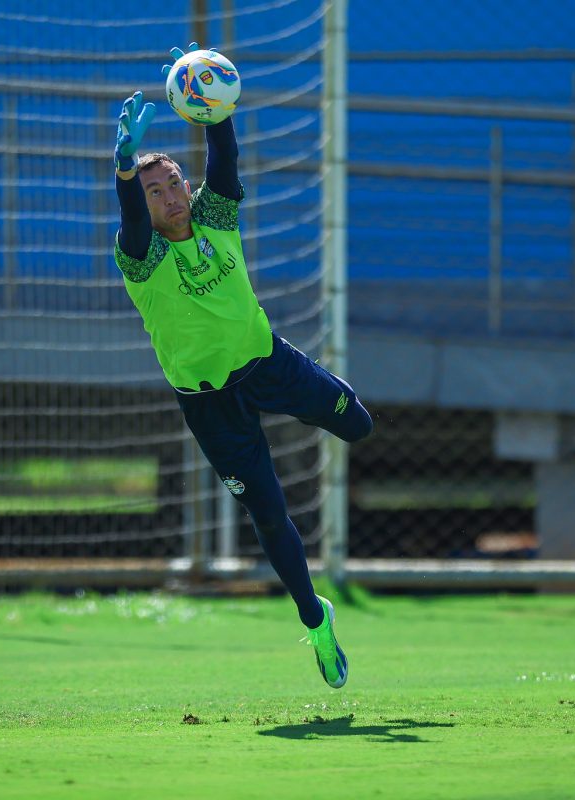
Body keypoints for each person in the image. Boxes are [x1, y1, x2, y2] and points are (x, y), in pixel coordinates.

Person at [111, 44, 373, 689]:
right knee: (268, 513)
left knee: (360, 426)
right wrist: (124, 171)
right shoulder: (139, 257)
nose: (170, 194)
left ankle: (323, 393)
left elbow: (223, 158)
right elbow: (130, 216)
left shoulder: (214, 217)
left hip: (269, 364)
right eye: (155, 190)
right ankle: (316, 620)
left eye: (173, 181)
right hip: (209, 402)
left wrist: (212, 102)